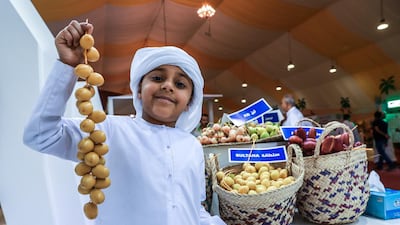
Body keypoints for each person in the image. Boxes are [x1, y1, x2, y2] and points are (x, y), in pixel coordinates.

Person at [23, 20, 225, 225]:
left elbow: (193, 208)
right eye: (157, 78)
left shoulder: (192, 146)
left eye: (180, 84)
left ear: (190, 102)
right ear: (138, 90)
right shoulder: (108, 131)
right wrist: (67, 65)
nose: (167, 86)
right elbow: (41, 135)